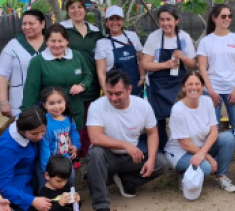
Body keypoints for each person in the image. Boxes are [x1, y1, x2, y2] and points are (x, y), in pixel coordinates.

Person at [85, 70, 172, 211]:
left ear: (129, 90)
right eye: (109, 93)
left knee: (161, 162)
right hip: (107, 156)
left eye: (118, 93)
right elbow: (95, 137)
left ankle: (127, 181)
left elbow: (153, 134)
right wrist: (125, 145)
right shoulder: (97, 106)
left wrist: (150, 159)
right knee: (95, 152)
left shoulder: (142, 106)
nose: (113, 98)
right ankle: (102, 207)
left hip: (131, 156)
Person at [167, 71, 235, 197]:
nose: (194, 87)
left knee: (228, 138)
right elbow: (185, 144)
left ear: (202, 87)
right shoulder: (178, 109)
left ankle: (221, 176)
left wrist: (202, 153)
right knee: (206, 168)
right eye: (190, 84)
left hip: (200, 149)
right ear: (184, 87)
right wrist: (208, 157)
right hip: (180, 153)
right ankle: (183, 174)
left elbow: (214, 131)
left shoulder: (206, 101)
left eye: (197, 84)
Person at [0, 106, 51, 211]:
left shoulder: (30, 128)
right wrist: (32, 201)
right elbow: (3, 186)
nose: (40, 137)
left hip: (29, 183)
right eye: (35, 134)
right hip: (12, 192)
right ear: (22, 131)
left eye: (43, 131)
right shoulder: (7, 148)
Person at [142, 5, 199, 141]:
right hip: (157, 87)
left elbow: (193, 65)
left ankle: (181, 145)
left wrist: (183, 57)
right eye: (162, 20)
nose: (165, 23)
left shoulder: (184, 38)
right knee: (157, 120)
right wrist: (165, 65)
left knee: (180, 117)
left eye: (169, 19)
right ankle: (161, 149)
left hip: (177, 85)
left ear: (176, 20)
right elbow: (145, 64)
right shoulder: (153, 37)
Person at [22, 25, 93, 134]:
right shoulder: (38, 62)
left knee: (75, 144)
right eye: (53, 41)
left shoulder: (77, 56)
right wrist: (27, 116)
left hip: (76, 112)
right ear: (46, 42)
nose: (57, 45)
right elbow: (30, 91)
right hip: (51, 115)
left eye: (60, 41)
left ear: (66, 41)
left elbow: (88, 76)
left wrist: (82, 85)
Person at [61, 0, 103, 154]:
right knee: (73, 121)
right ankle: (72, 154)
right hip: (72, 84)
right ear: (68, 11)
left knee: (90, 121)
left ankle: (87, 154)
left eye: (80, 7)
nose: (76, 10)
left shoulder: (95, 32)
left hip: (92, 83)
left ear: (85, 11)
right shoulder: (62, 30)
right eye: (72, 7)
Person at [197, 4, 235, 124]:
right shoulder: (206, 41)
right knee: (212, 128)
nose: (227, 19)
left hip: (233, 89)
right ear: (214, 18)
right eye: (223, 16)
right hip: (212, 89)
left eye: (229, 16)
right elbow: (202, 68)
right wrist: (210, 91)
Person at [0, 9, 49, 119]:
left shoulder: (52, 43)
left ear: (42, 24)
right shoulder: (13, 45)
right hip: (19, 101)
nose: (27, 27)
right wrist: (4, 102)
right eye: (24, 24)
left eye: (31, 23)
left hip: (50, 102)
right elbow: (2, 73)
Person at [96, 6, 145, 97]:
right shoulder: (102, 43)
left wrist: (142, 77)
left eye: (118, 19)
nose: (115, 23)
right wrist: (106, 92)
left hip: (135, 87)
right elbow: (101, 73)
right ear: (107, 22)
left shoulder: (132, 36)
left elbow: (141, 58)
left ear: (123, 21)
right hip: (115, 92)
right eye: (111, 19)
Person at [39, 87, 81, 181]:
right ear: (44, 105)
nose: (56, 107)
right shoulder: (45, 123)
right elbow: (44, 148)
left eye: (59, 102)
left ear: (65, 101)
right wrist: (46, 169)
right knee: (48, 186)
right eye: (51, 103)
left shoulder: (68, 119)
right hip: (50, 162)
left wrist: (75, 146)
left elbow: (73, 133)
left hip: (65, 159)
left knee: (70, 180)